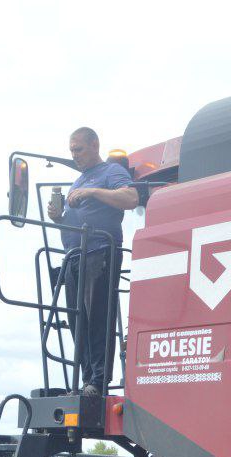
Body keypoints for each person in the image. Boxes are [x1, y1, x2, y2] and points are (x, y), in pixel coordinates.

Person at [47, 127, 139, 395]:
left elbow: (131, 198)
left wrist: (93, 192)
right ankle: (85, 379)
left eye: (78, 149)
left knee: (98, 317)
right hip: (75, 256)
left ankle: (98, 381)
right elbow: (73, 218)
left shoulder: (110, 172)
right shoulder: (80, 179)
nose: (74, 155)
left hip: (100, 251)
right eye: (71, 150)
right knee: (78, 321)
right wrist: (58, 217)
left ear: (94, 144)